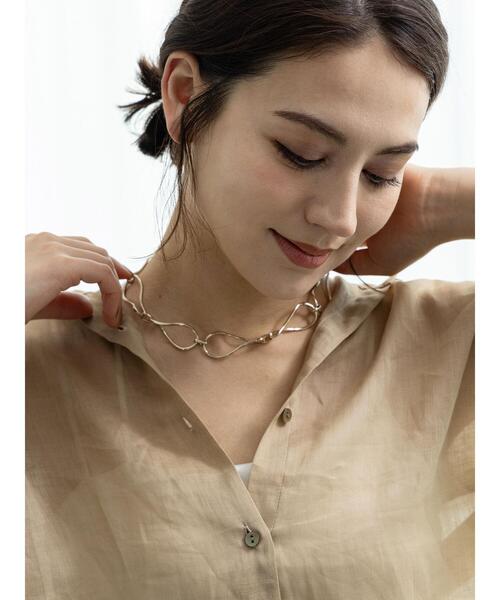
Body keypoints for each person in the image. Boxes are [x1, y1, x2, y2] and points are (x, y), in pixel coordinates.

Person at [25, 1, 475, 598]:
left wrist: (449, 200)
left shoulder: (450, 343)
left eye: (381, 174)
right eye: (301, 153)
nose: (340, 218)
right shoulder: (29, 367)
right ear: (184, 95)